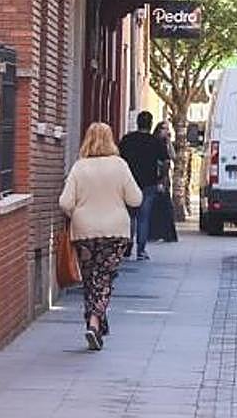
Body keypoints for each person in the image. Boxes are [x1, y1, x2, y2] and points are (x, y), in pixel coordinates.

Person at [58, 122, 142, 352]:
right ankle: (95, 322)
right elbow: (135, 199)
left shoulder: (79, 167)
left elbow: (64, 202)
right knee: (104, 279)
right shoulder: (120, 166)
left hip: (84, 232)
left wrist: (78, 213)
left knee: (90, 279)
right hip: (115, 232)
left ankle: (94, 324)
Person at [119, 111, 169, 261]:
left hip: (129, 182)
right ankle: (141, 250)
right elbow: (165, 161)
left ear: (138, 123)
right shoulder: (156, 142)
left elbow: (119, 158)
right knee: (143, 217)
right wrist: (162, 179)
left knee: (130, 216)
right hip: (149, 183)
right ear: (151, 124)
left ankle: (127, 248)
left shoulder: (127, 140)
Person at [148, 121, 180, 243]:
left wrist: (169, 142)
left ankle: (166, 233)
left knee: (165, 206)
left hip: (165, 178)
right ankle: (154, 233)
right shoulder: (153, 142)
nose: (166, 131)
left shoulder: (166, 143)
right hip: (156, 177)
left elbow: (173, 156)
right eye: (164, 129)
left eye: (168, 129)